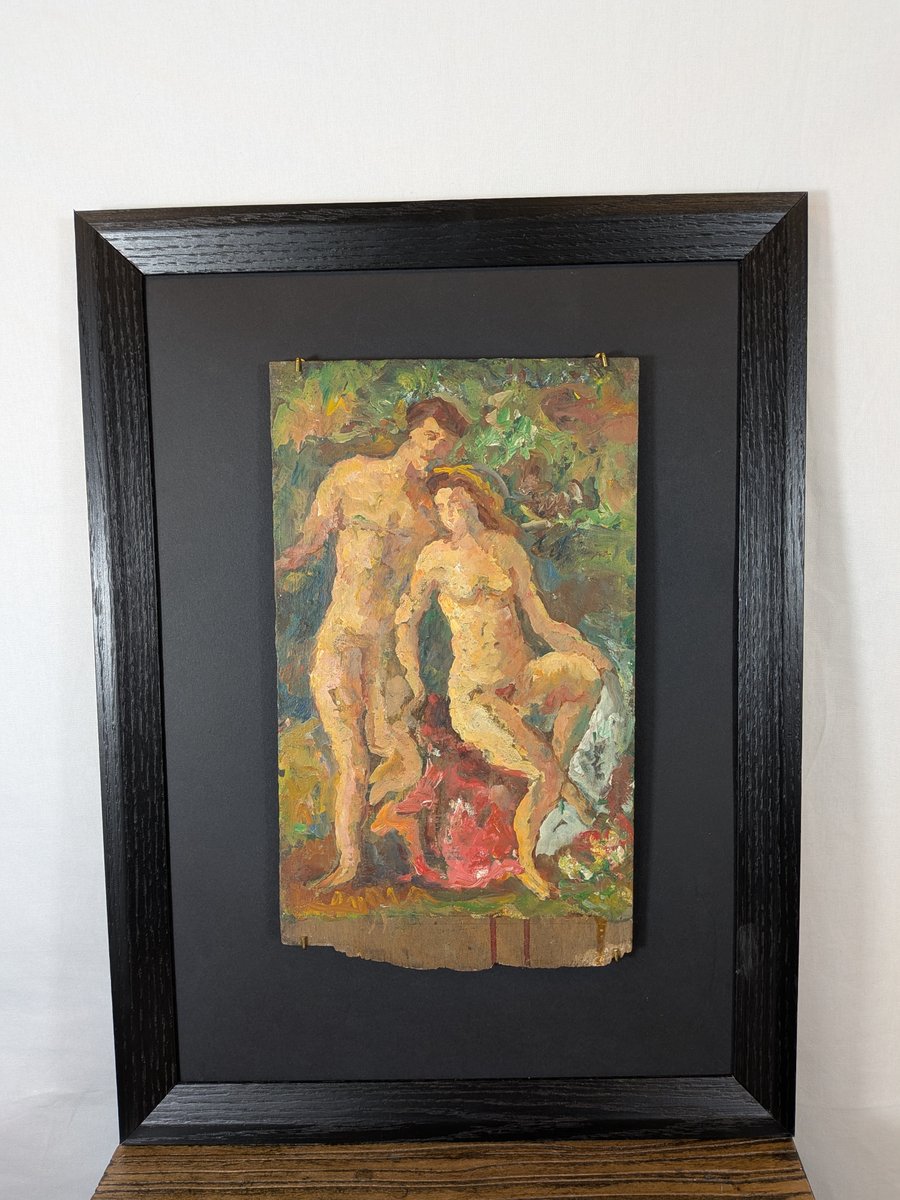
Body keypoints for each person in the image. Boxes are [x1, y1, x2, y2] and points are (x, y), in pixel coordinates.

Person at [275, 398, 469, 889]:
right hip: (342, 637)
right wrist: (271, 567)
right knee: (352, 759)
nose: (434, 450)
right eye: (430, 437)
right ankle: (348, 863)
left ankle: (375, 825)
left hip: (386, 652)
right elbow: (307, 547)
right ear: (411, 431)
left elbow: (448, 574)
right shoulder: (351, 476)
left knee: (404, 758)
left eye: (445, 445)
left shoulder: (432, 513)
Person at [393, 466, 612, 899]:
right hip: (477, 694)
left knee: (585, 677)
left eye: (457, 500)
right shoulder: (434, 558)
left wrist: (589, 650)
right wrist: (413, 678)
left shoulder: (506, 549)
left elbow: (542, 623)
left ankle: (560, 776)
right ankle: (529, 857)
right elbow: (406, 620)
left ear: (476, 500)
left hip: (522, 678)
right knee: (542, 772)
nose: (451, 510)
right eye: (442, 505)